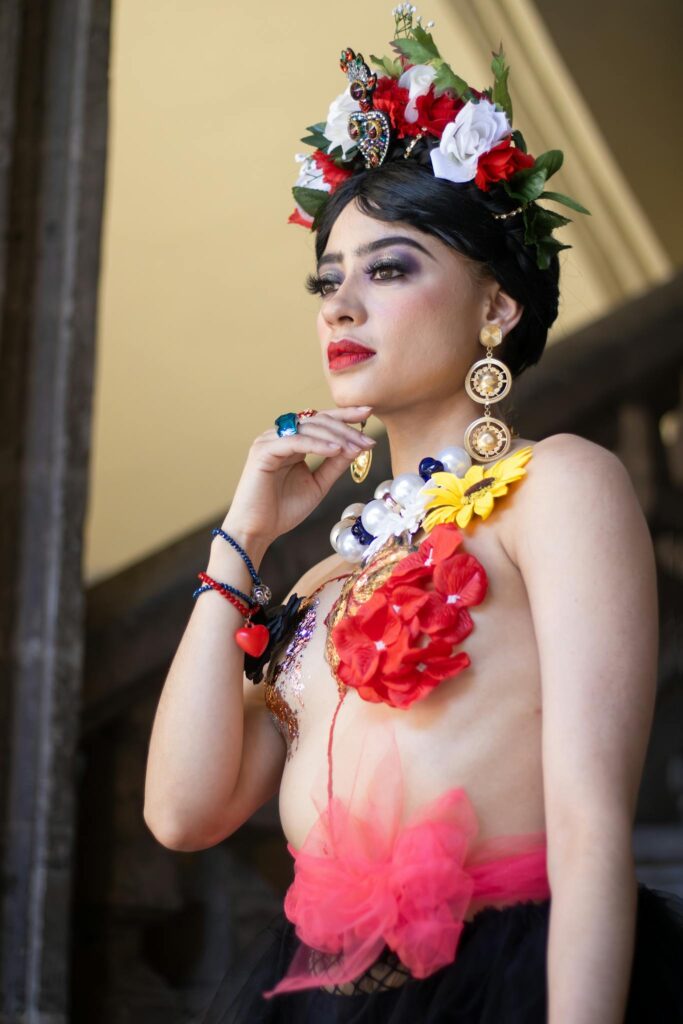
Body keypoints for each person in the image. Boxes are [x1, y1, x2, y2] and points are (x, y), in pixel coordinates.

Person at [144, 8, 683, 1022]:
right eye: (328, 279)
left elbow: (587, 825)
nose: (339, 307)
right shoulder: (322, 578)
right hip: (325, 994)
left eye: (387, 269)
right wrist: (241, 538)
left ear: (494, 308)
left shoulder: (555, 487)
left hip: (502, 984)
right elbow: (181, 811)